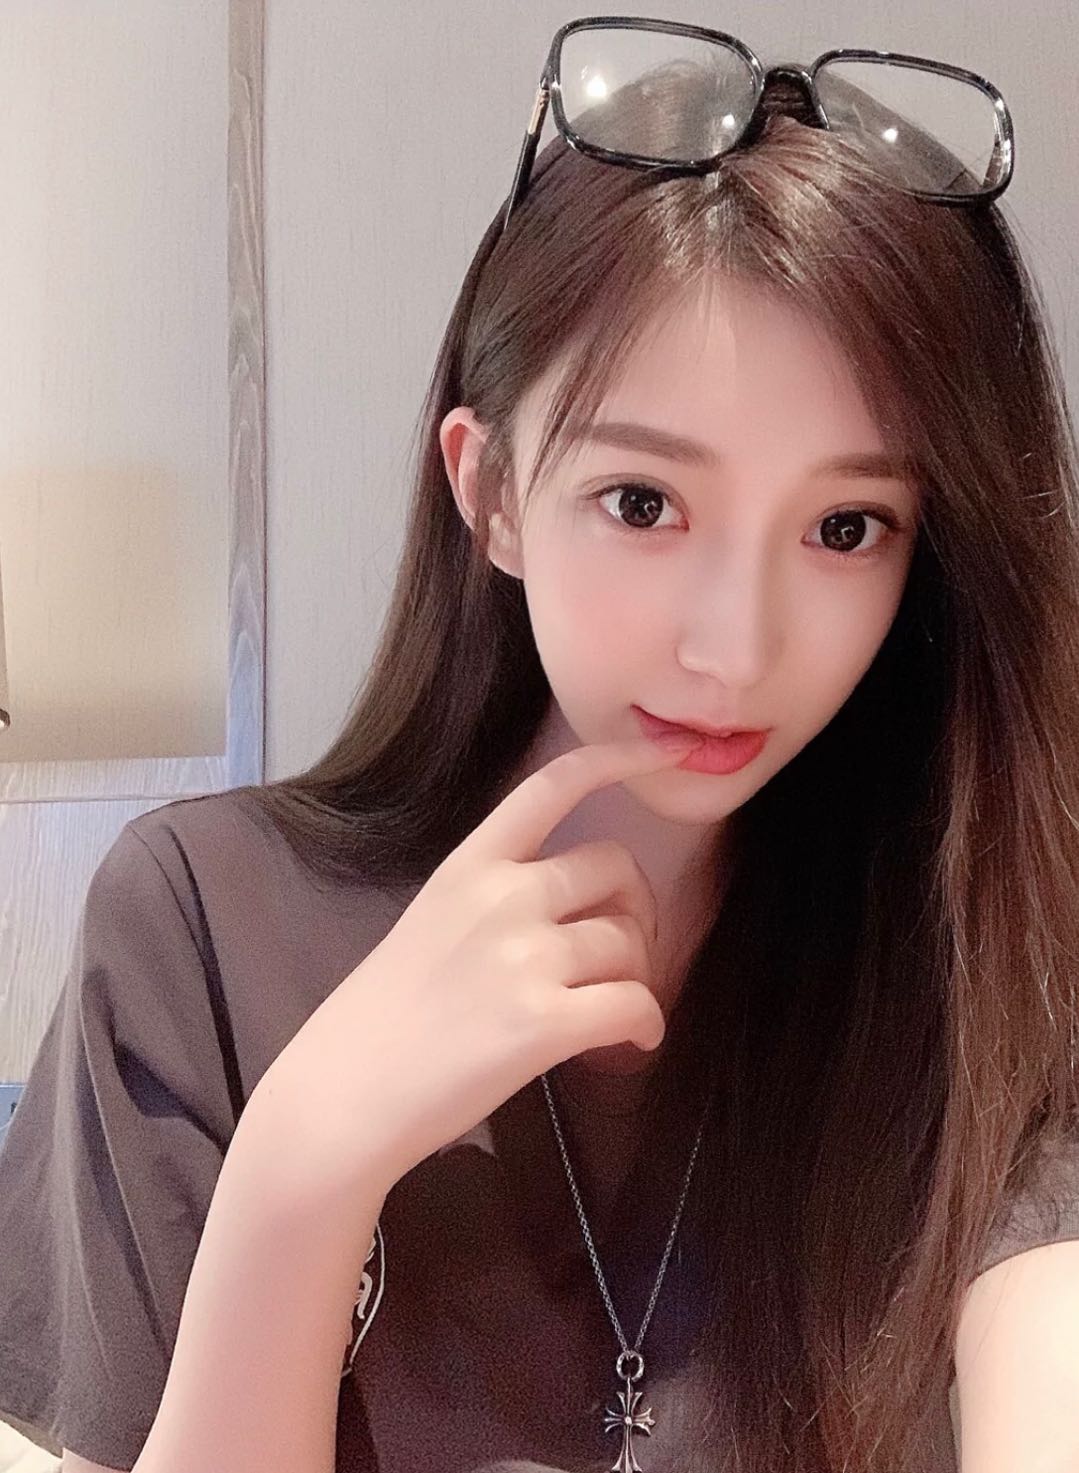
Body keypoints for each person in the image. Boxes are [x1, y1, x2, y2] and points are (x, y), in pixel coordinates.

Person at [2, 21, 1079, 1473]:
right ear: (493, 489)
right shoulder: (201, 930)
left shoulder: (988, 973)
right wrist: (304, 1165)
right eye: (644, 503)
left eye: (845, 527)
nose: (734, 646)